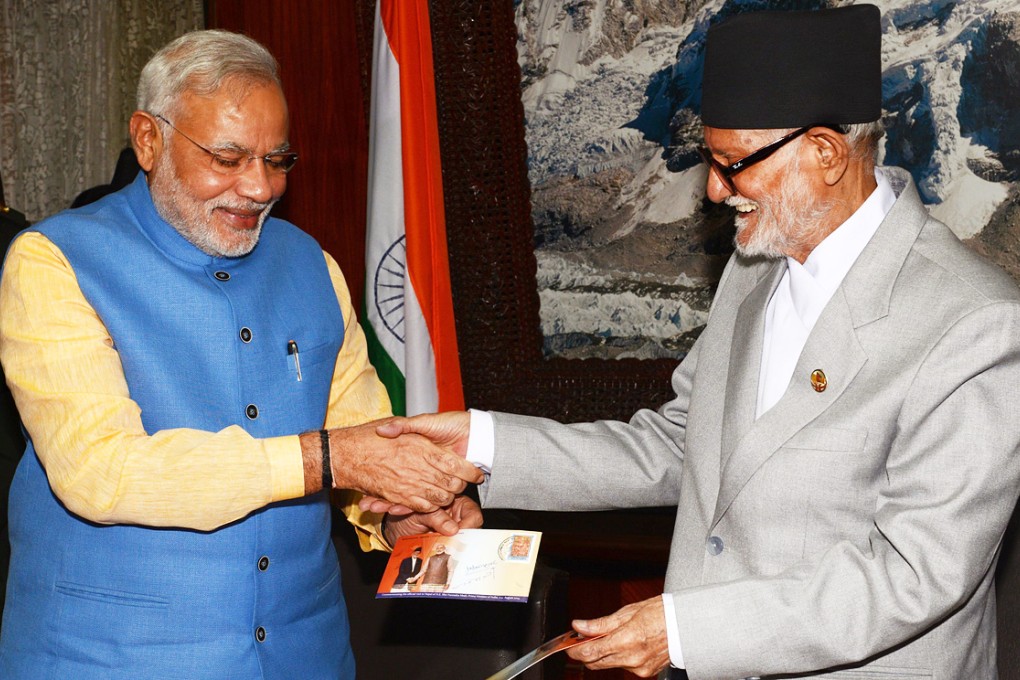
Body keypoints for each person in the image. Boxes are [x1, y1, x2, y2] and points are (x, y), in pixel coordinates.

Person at [373, 5, 1020, 678]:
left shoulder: (974, 323)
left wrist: (684, 631)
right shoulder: (754, 266)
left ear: (826, 154)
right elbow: (683, 445)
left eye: (733, 163)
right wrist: (479, 446)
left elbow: (915, 574)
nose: (714, 190)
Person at [0, 30, 482, 678]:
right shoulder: (53, 260)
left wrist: (409, 520)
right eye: (227, 159)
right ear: (148, 139)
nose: (258, 187)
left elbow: (363, 445)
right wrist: (331, 458)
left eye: (277, 160)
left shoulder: (313, 264)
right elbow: (100, 471)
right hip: (110, 658)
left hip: (304, 659)